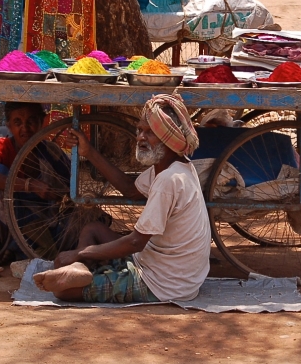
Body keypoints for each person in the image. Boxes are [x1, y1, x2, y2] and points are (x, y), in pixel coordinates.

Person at [33, 94, 211, 303]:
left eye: (150, 133)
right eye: (140, 130)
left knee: (63, 292)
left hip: (164, 283)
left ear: (167, 138)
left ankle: (80, 269)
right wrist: (88, 151)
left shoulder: (169, 180)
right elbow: (129, 188)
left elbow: (135, 242)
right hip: (158, 263)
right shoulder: (176, 167)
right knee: (92, 229)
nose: (140, 138)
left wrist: (81, 253)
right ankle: (80, 270)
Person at [0, 102, 69, 278]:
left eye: (31, 121)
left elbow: (72, 186)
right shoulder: (2, 146)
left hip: (27, 224)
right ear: (9, 126)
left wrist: (56, 194)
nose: (25, 128)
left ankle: (10, 249)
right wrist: (28, 185)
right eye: (18, 122)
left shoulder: (50, 152)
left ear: (42, 122)